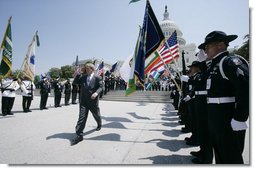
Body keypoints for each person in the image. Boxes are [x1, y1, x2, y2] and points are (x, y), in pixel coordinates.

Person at [198, 31, 249, 164]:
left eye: (207, 47)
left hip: (228, 119)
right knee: (220, 156)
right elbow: (204, 80)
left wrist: (240, 118)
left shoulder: (229, 62)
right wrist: (203, 63)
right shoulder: (215, 64)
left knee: (231, 157)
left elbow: (246, 88)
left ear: (220, 45)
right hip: (216, 119)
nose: (205, 51)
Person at [71, 63, 103, 146]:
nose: (86, 70)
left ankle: (99, 123)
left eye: (88, 68)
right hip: (83, 101)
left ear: (92, 69)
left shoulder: (97, 77)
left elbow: (101, 87)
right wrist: (78, 74)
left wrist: (96, 93)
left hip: (93, 101)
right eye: (86, 68)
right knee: (82, 117)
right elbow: (75, 82)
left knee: (96, 114)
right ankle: (79, 134)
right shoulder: (83, 77)